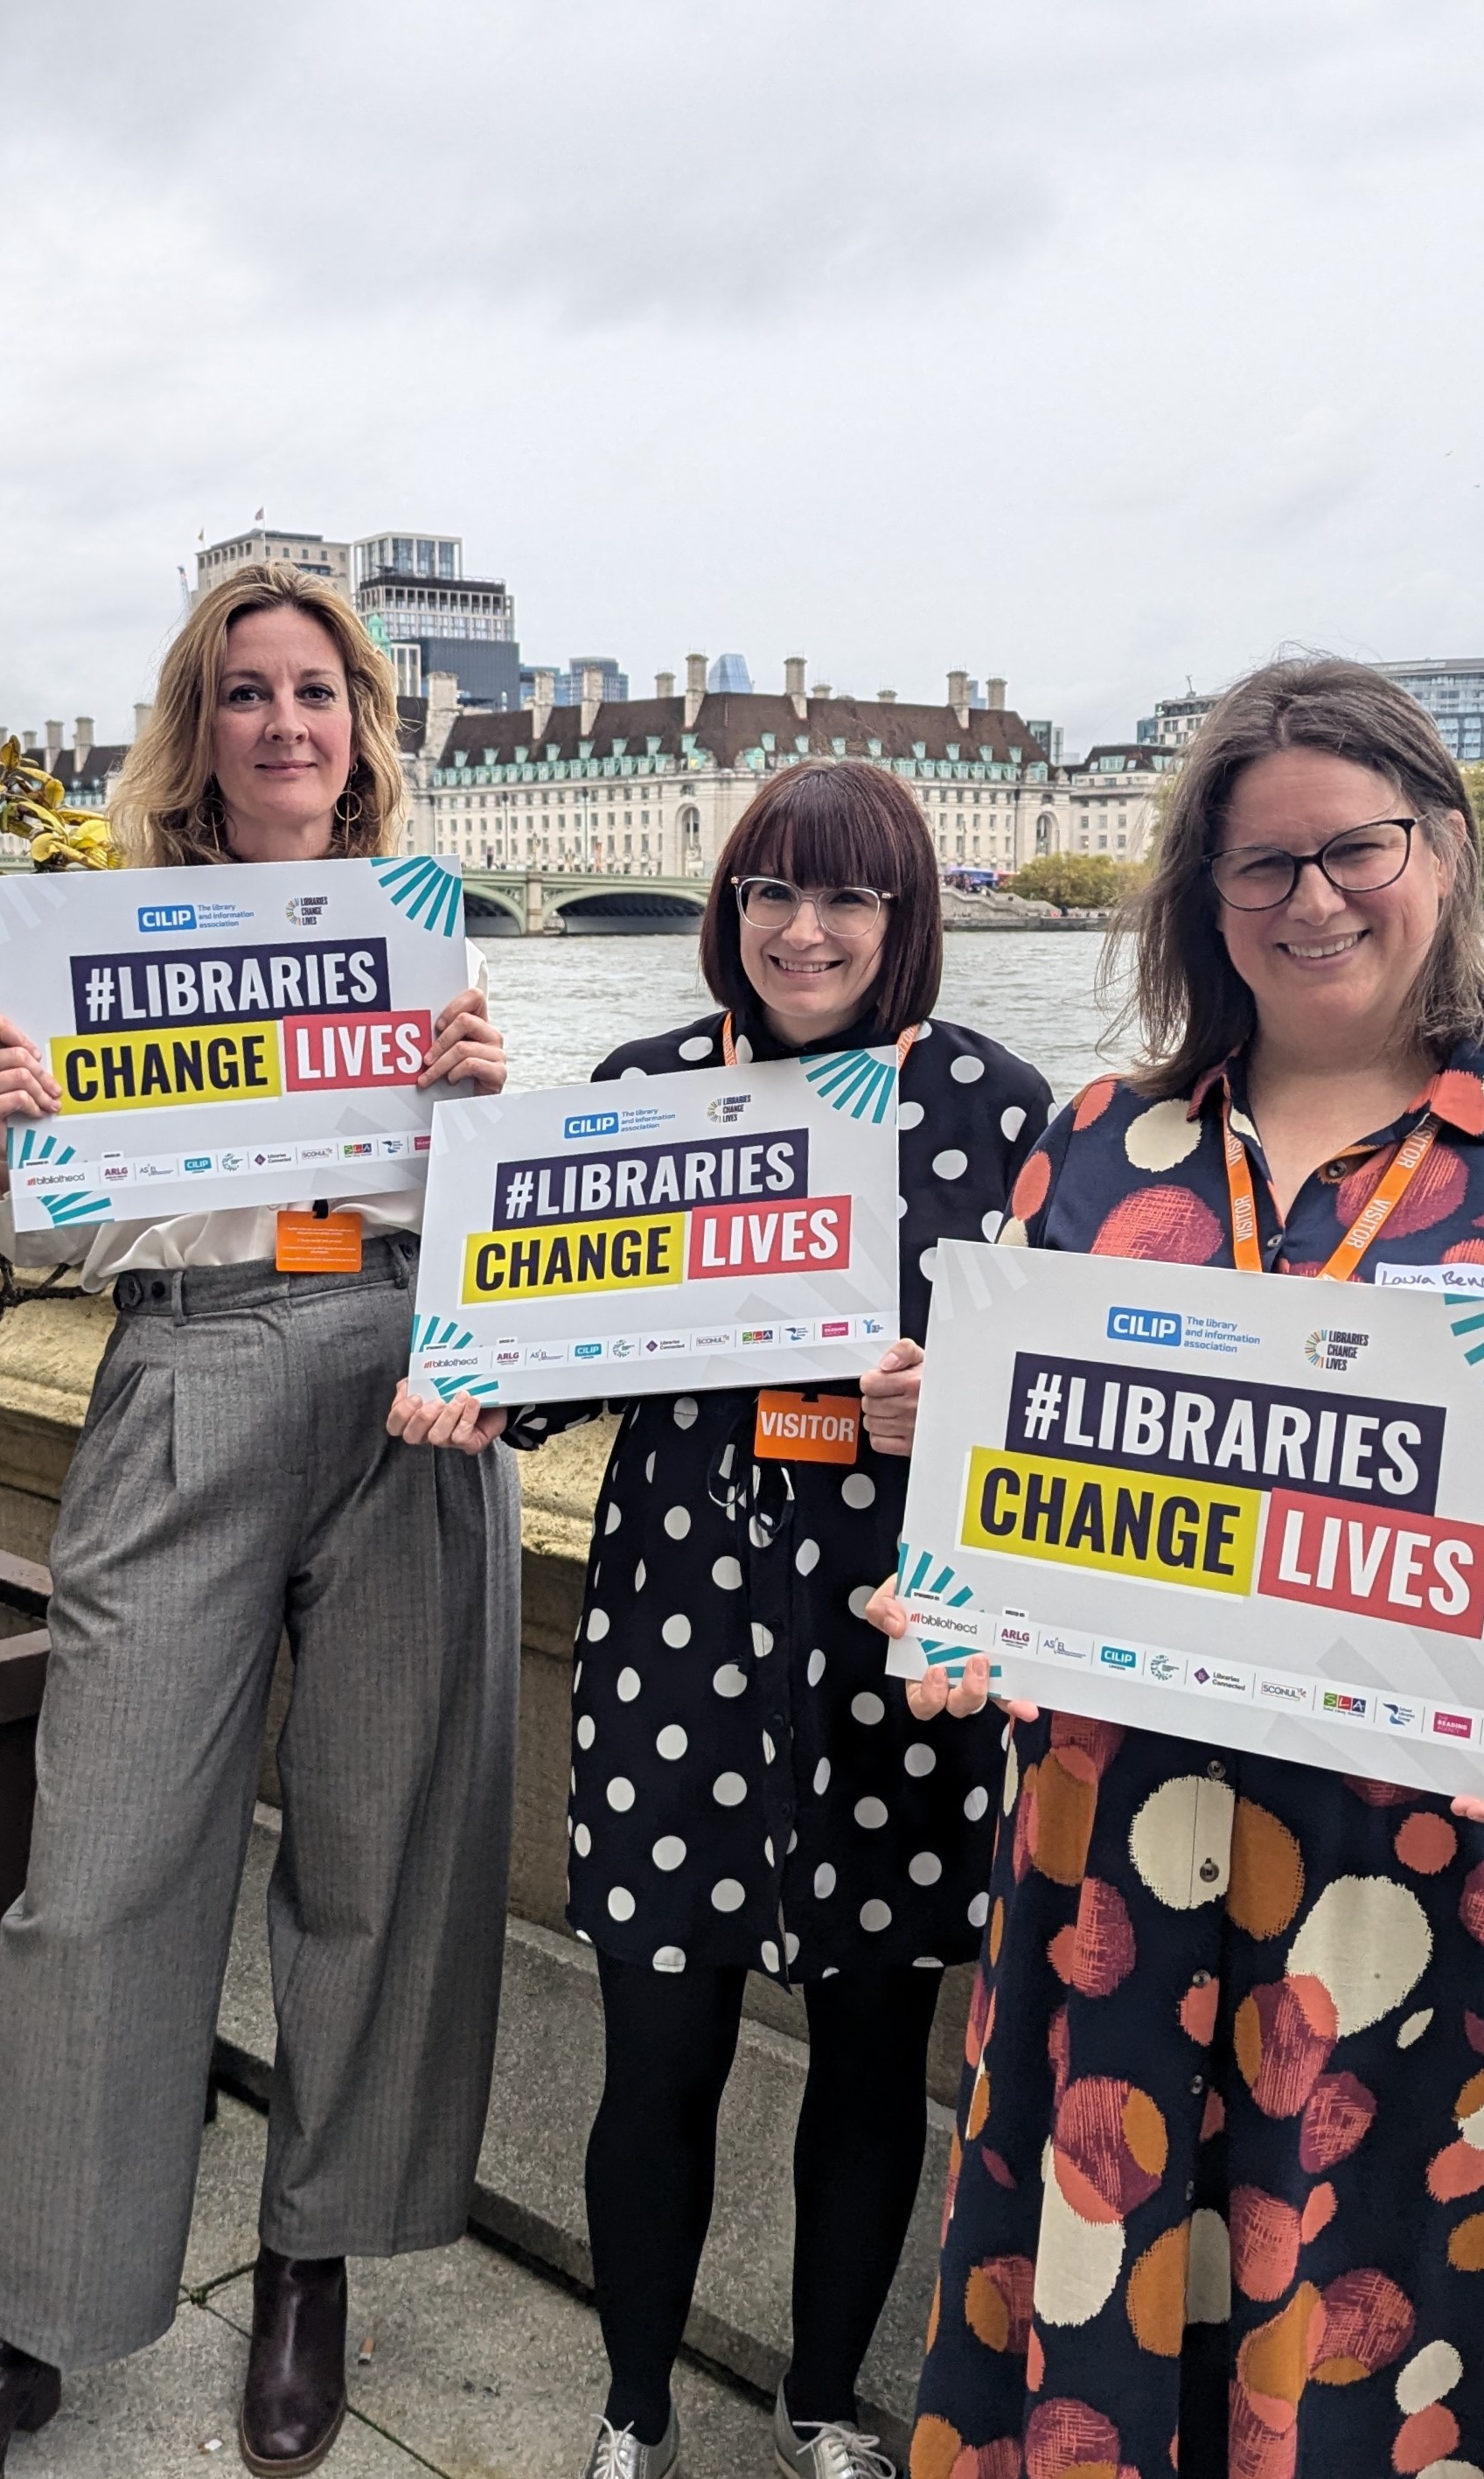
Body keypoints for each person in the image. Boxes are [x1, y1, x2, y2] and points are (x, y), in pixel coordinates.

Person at [863, 660, 1484, 2479]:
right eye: (1257, 867)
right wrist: (955, 1500)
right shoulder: (1097, 1143)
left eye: (1353, 848)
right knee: (1100, 2330)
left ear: (1442, 854)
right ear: (1201, 903)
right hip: (1120, 1868)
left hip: (1444, 1896)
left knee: (1405, 2347)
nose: (1309, 899)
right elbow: (1028, 1493)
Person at [0, 563, 519, 2479]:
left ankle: (309, 2255)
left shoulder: (428, 944)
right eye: (244, 691)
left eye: (315, 690)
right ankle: (24, 2324)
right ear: (199, 724)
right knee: (96, 1872)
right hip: (190, 1361)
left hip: (402, 1365)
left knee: (380, 1846)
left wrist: (490, 1105)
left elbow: (510, 1227)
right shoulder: (100, 952)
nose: (283, 723)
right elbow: (57, 1233)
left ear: (361, 727)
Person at [393, 760, 1055, 2479]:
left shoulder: (998, 1112)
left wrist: (957, 1398)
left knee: (863, 2062)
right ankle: (633, 2409)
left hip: (890, 1656)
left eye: (848, 897)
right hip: (673, 1632)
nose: (805, 928)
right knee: (656, 2049)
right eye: (770, 891)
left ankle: (820, 2404)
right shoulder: (645, 1088)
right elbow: (552, 1368)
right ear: (729, 906)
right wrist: (476, 1392)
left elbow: (1060, 1400)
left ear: (905, 919)